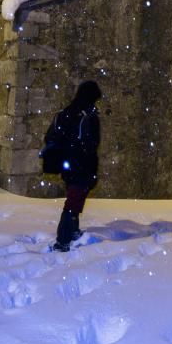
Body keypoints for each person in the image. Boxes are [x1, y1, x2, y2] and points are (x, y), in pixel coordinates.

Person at [52, 80, 102, 252]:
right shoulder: (88, 115)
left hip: (68, 163)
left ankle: (72, 231)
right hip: (82, 164)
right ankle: (62, 241)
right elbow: (92, 144)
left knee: (75, 196)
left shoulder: (69, 111)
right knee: (73, 201)